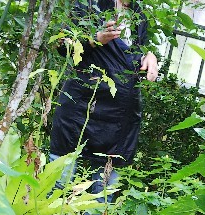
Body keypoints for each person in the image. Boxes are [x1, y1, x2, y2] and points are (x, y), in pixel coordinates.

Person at [48, 0, 159, 204]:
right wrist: (95, 39)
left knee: (101, 196)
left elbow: (133, 54)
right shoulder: (89, 4)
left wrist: (149, 56)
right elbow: (62, 46)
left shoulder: (138, 14)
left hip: (120, 114)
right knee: (59, 188)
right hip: (82, 105)